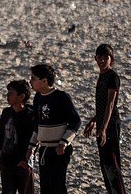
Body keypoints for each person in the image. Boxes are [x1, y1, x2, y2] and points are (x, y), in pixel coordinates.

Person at [27, 63, 81, 194]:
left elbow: (76, 121)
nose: (30, 81)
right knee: (46, 187)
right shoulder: (38, 98)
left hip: (59, 151)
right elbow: (37, 125)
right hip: (44, 149)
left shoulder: (61, 97)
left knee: (57, 186)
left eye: (33, 78)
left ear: (44, 81)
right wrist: (31, 147)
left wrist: (63, 142)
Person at [83, 44, 126, 194]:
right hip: (102, 123)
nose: (102, 60)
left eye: (105, 57)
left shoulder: (112, 76)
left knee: (112, 164)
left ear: (111, 60)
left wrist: (103, 129)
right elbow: (102, 106)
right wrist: (94, 120)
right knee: (105, 165)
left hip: (110, 125)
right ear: (95, 58)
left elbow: (110, 104)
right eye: (99, 57)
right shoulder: (101, 76)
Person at [0, 79, 36, 194]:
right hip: (6, 160)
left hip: (23, 162)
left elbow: (33, 139)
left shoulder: (30, 115)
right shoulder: (6, 112)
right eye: (8, 92)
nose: (8, 96)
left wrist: (26, 160)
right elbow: (0, 135)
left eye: (11, 93)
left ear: (21, 97)